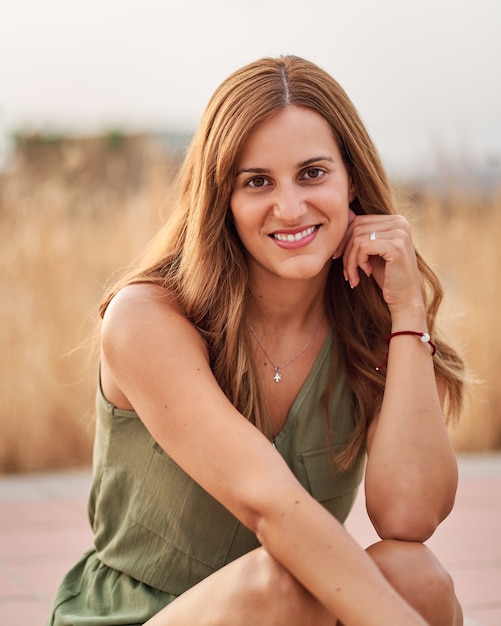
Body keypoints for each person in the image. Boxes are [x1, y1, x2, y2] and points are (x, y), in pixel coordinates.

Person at [48, 55, 467, 626]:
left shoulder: (366, 327)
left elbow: (409, 516)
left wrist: (407, 314)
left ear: (352, 181)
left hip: (288, 607)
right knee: (280, 582)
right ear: (222, 199)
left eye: (313, 173)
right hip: (141, 615)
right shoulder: (146, 317)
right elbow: (270, 506)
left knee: (415, 575)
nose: (290, 207)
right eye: (257, 182)